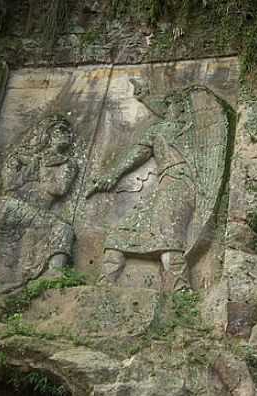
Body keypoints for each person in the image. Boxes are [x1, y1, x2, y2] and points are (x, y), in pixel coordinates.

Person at [88, 83, 230, 292]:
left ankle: (180, 289)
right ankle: (105, 284)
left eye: (170, 104)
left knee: (168, 233)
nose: (165, 108)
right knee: (120, 233)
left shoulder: (189, 131)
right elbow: (137, 154)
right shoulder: (161, 129)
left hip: (183, 184)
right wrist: (112, 175)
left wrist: (146, 98)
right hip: (165, 185)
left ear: (182, 107)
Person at [0, 114, 77, 291]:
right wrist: (22, 163)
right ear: (48, 135)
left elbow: (59, 189)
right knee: (63, 228)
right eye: (60, 130)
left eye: (68, 132)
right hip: (10, 206)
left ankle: (27, 278)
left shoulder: (68, 163)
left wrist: (42, 168)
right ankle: (54, 272)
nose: (66, 134)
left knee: (57, 227)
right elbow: (8, 185)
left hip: (33, 212)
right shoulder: (25, 157)